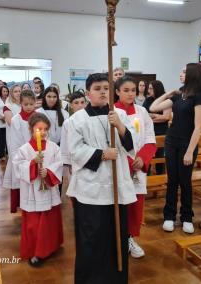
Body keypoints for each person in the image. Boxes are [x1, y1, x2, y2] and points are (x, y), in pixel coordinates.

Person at [67, 73, 137, 284]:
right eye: (97, 88)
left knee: (116, 237)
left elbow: (134, 144)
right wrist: (102, 154)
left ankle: (116, 279)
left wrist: (121, 126)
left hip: (117, 189)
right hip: (91, 190)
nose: (103, 91)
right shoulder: (76, 120)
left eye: (106, 87)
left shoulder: (120, 115)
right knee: (92, 238)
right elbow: (74, 150)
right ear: (88, 93)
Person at [151, 63, 201, 234]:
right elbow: (153, 107)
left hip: (186, 144)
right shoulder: (179, 95)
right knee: (172, 180)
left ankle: (187, 217)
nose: (181, 74)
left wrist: (190, 151)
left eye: (184, 71)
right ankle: (169, 216)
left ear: (192, 74)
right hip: (171, 141)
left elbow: (198, 127)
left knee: (185, 181)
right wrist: (169, 93)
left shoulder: (199, 96)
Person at [13, 113, 63, 267]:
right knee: (34, 224)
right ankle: (36, 251)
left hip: (48, 189)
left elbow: (59, 163)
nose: (43, 132)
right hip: (32, 192)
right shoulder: (24, 149)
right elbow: (17, 167)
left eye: (45, 129)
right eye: (39, 129)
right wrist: (33, 163)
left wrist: (48, 172)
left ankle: (50, 247)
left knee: (49, 221)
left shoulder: (54, 147)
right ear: (30, 129)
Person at [115, 76, 156, 259]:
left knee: (134, 204)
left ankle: (130, 237)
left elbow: (149, 139)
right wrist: (129, 161)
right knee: (117, 203)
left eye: (133, 90)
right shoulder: (112, 112)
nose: (131, 93)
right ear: (117, 92)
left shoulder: (142, 112)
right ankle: (116, 239)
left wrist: (142, 158)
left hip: (138, 166)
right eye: (126, 90)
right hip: (119, 165)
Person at [3, 90, 36, 213]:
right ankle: (23, 205)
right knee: (21, 182)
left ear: (35, 103)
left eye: (31, 104)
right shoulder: (16, 119)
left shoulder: (38, 117)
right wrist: (24, 156)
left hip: (36, 155)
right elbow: (14, 141)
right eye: (26, 104)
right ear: (20, 103)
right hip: (21, 155)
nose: (28, 107)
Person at [60, 91, 86, 198]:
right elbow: (65, 144)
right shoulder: (68, 122)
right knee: (75, 191)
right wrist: (68, 163)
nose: (80, 105)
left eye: (82, 102)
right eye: (76, 103)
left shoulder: (91, 119)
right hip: (74, 161)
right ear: (71, 105)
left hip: (89, 158)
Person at [143, 80, 172, 174]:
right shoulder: (148, 99)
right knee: (148, 154)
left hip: (161, 131)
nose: (149, 91)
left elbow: (166, 117)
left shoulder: (166, 100)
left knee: (160, 155)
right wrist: (156, 116)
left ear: (157, 89)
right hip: (148, 131)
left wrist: (151, 116)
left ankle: (160, 175)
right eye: (149, 88)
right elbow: (144, 115)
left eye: (151, 88)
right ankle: (147, 175)